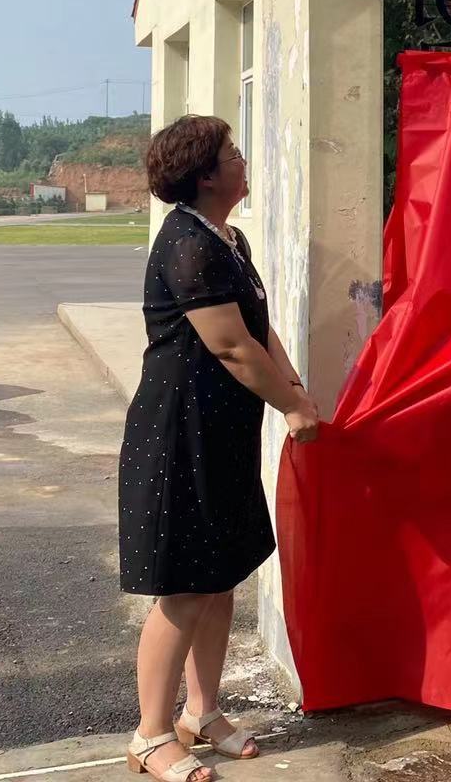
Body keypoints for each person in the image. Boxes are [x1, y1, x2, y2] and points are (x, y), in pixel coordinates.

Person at [120, 115, 320, 782]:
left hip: (223, 433)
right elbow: (230, 347)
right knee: (183, 589)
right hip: (179, 437)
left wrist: (293, 386)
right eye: (232, 152)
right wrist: (292, 406)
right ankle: (151, 734)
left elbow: (255, 330)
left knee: (221, 574)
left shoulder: (226, 239)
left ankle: (201, 712)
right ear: (206, 175)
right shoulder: (187, 245)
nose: (242, 160)